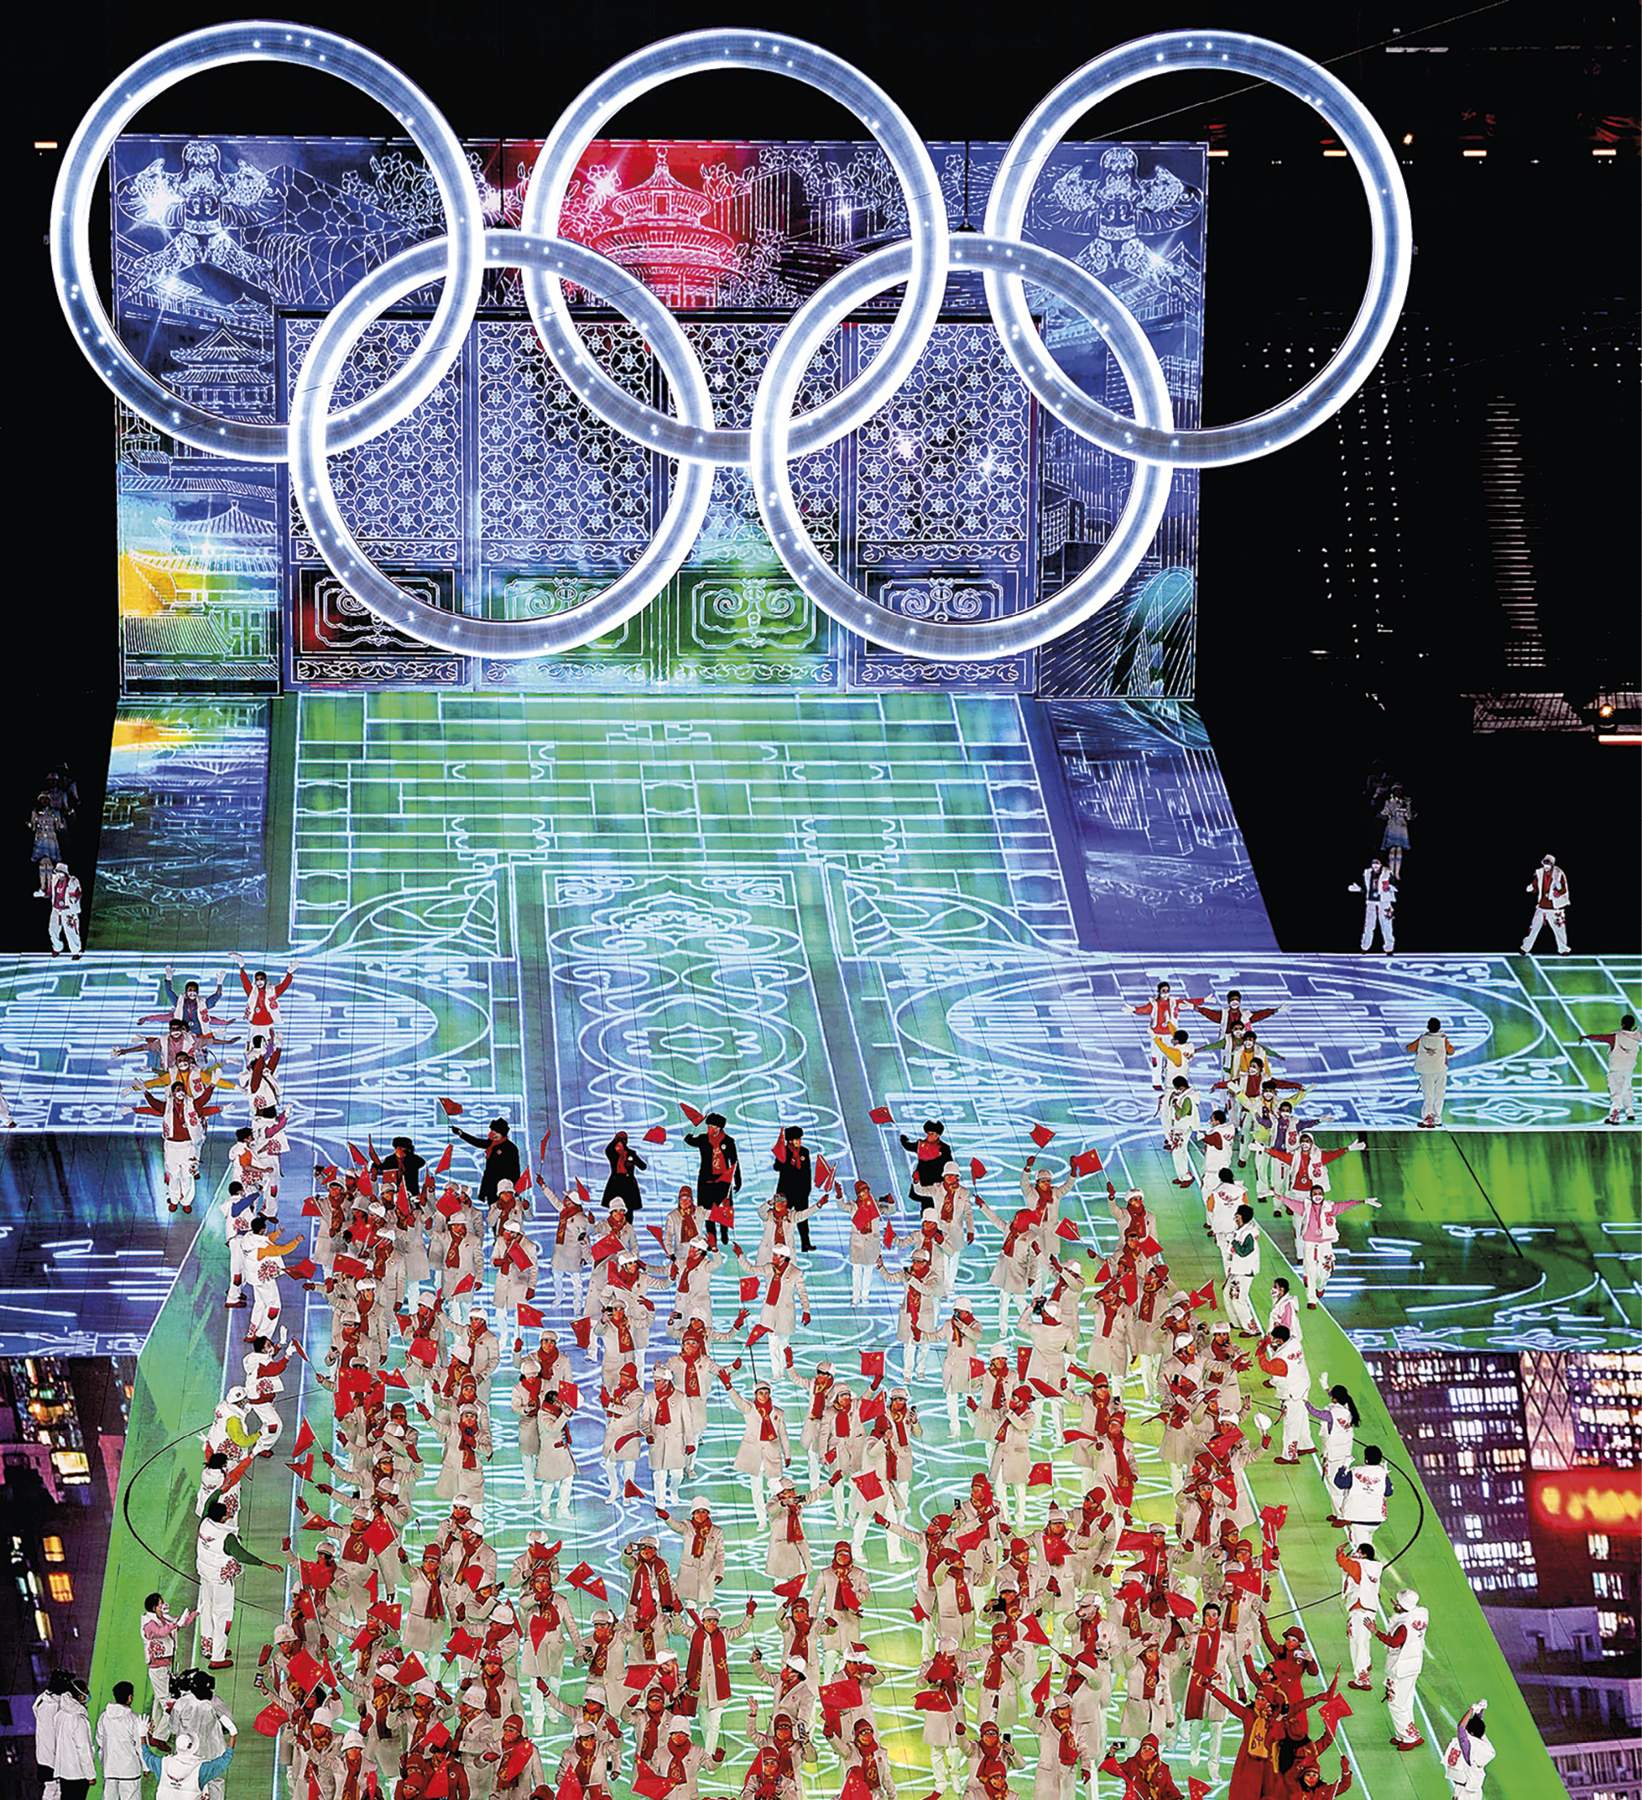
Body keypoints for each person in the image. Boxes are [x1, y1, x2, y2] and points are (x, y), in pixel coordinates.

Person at [1374, 1588, 1429, 1750]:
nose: (1395, 1604)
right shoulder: (1421, 1614)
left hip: (1400, 1667)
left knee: (1396, 1703)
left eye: (1398, 1603)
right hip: (1414, 1665)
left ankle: (1408, 1738)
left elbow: (1394, 1642)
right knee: (1406, 1701)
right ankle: (1406, 1733)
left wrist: (1375, 1631)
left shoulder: (1404, 1625)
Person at [141, 1591, 198, 1731]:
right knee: (168, 1702)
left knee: (159, 1698)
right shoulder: (149, 1624)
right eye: (161, 1604)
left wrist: (196, 1612)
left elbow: (180, 1624)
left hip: (166, 1665)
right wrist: (175, 1624)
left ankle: (153, 1728)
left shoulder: (163, 1618)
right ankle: (162, 1734)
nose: (163, 1606)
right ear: (154, 1608)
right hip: (158, 1667)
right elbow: (161, 1632)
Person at [1575, 1014, 1640, 1125]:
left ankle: (1614, 1117)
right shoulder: (1637, 1037)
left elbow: (1601, 1037)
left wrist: (1587, 1037)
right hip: (1628, 1069)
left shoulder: (1615, 1037)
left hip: (1616, 1070)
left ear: (1622, 1024)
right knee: (1627, 1090)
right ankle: (1630, 1112)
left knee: (1616, 1093)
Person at [451, 1115, 522, 1209]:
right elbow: (476, 1141)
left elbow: (515, 1170)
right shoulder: (491, 1144)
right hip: (491, 1187)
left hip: (505, 1188)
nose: (494, 1134)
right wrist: (460, 1133)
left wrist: (514, 1189)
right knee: (493, 1213)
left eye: (497, 1132)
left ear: (503, 1133)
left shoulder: (510, 1148)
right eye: (493, 1131)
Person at [96, 1682, 147, 1800]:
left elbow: (100, 1741)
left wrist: (105, 1761)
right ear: (130, 1698)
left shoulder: (104, 1717)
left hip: (109, 1769)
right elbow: (139, 1746)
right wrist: (146, 1766)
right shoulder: (134, 1719)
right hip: (130, 1771)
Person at [1407, 1018, 1457, 1128]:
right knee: (1439, 1094)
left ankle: (1427, 1117)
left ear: (1428, 1027)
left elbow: (1410, 1048)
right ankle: (1437, 1118)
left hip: (1427, 1071)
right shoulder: (1443, 1039)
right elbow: (1451, 1051)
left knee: (1428, 1095)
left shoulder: (1422, 1039)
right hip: (1440, 1070)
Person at [52, 1677, 96, 1800]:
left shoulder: (60, 1715)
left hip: (63, 1771)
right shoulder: (78, 1719)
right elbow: (83, 1749)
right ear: (80, 1696)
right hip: (77, 1773)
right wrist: (90, 1775)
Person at [1521, 853, 1571, 955]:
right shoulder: (1539, 873)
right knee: (1534, 927)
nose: (1546, 866)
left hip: (1555, 906)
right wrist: (1531, 889)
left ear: (1552, 864)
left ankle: (1563, 949)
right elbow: (1535, 886)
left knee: (1559, 928)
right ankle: (1525, 947)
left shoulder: (1559, 873)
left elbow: (1564, 888)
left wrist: (1558, 892)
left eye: (1549, 864)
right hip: (1542, 905)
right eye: (1545, 863)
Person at [1444, 1700, 1495, 1799]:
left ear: (1471, 1733)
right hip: (1473, 1791)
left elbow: (1460, 1728)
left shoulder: (1468, 1748)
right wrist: (1480, 1710)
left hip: (1464, 1793)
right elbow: (1477, 1723)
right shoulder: (1482, 1744)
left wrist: (1471, 1709)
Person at [1348, 858, 1396, 955]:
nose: (1375, 865)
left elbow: (1395, 884)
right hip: (1371, 902)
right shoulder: (1367, 872)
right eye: (1373, 863)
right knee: (1369, 925)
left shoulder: (1387, 872)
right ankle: (1365, 946)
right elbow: (1366, 887)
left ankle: (1389, 947)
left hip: (1384, 901)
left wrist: (1391, 887)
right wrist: (1358, 889)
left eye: (1377, 863)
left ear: (1381, 863)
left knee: (1386, 924)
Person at [47, 861, 83, 959]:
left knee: (71, 931)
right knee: (52, 930)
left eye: (60, 872)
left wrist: (74, 898)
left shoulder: (73, 881)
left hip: (68, 910)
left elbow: (78, 893)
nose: (59, 874)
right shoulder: (54, 880)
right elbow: (50, 892)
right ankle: (57, 947)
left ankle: (76, 951)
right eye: (57, 872)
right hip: (56, 909)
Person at [1378, 783, 1413, 879]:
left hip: (1402, 826)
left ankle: (1397, 872)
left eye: (1400, 790)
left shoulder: (1405, 802)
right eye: (1396, 790)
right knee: (1392, 849)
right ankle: (1391, 872)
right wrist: (1386, 812)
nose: (1398, 792)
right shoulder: (1389, 802)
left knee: (1399, 850)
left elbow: (1409, 817)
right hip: (1392, 825)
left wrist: (1408, 807)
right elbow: (1384, 813)